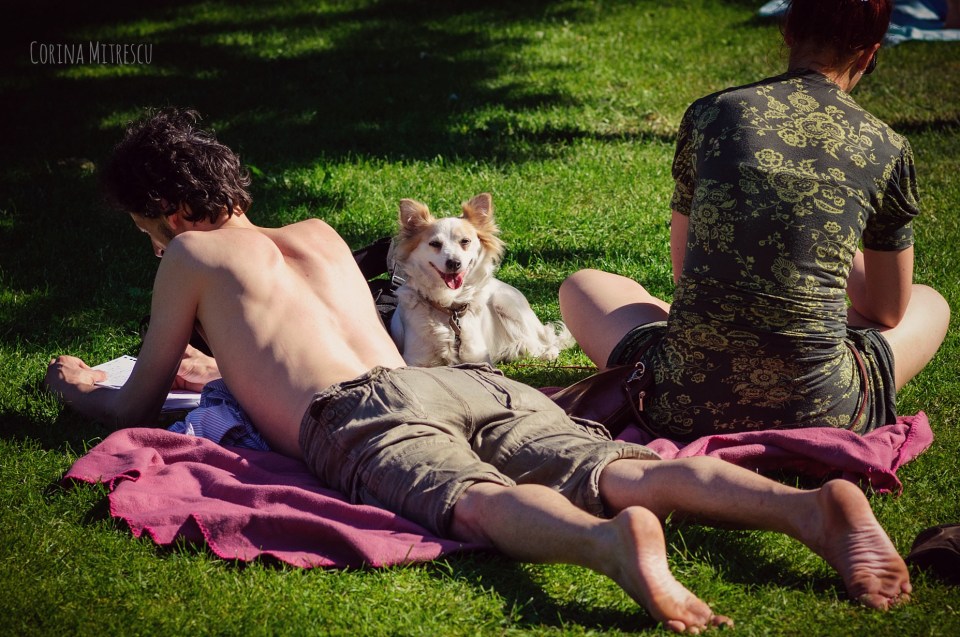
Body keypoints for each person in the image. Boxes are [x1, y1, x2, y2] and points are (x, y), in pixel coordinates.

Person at [45, 108, 912, 633]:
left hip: (363, 416)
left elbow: (141, 396)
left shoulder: (189, 254)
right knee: (620, 466)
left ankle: (607, 543)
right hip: (459, 382)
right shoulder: (310, 233)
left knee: (471, 496)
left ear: (161, 210)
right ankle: (807, 507)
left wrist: (77, 386)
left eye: (141, 222)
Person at [561, 0, 949, 442]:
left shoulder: (714, 113)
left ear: (788, 32)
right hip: (823, 409)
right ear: (869, 53)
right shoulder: (887, 146)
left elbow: (685, 274)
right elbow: (887, 310)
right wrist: (825, 247)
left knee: (582, 286)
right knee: (930, 302)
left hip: (680, 400)